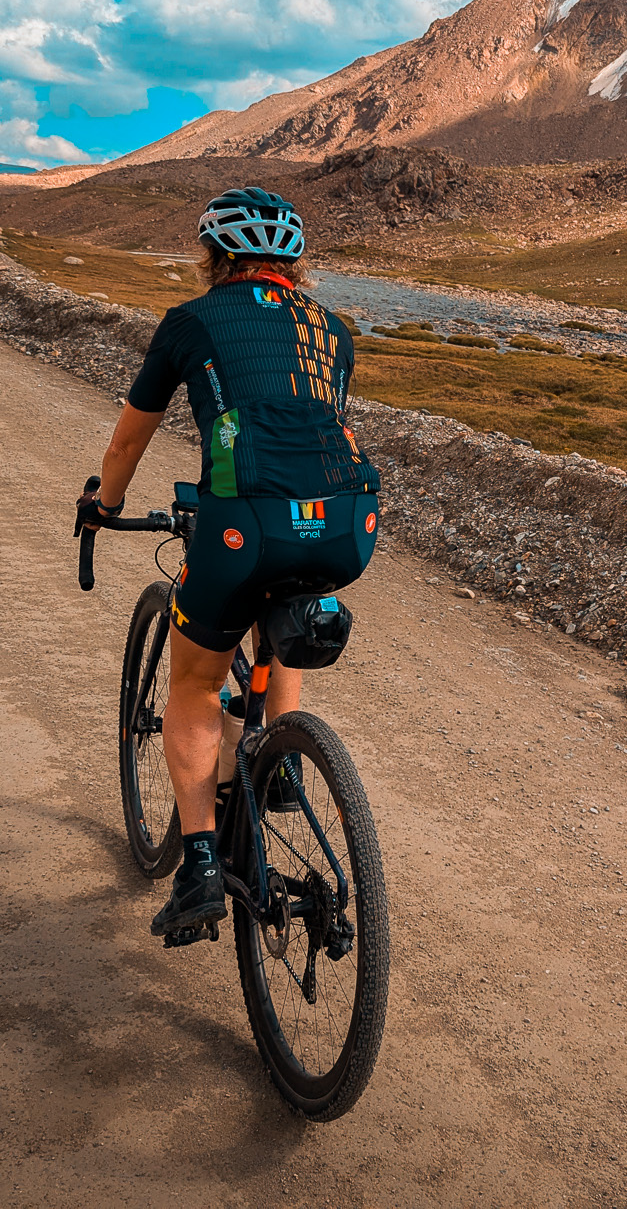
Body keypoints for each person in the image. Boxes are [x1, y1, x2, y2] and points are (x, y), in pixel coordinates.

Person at [80, 188, 380, 940]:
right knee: (282, 620)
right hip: (346, 524)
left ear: (212, 255)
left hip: (242, 524)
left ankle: (201, 866)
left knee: (195, 682)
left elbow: (127, 442)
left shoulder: (191, 321)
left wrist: (104, 504)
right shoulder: (334, 329)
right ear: (294, 264)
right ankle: (282, 764)